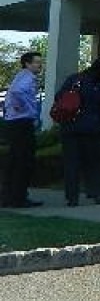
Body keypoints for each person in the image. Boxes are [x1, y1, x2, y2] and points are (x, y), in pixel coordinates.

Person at [57, 58, 100, 206]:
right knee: (93, 163)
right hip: (91, 128)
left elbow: (59, 97)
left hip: (69, 126)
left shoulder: (75, 79)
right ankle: (97, 193)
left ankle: (72, 198)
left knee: (71, 164)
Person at [1, 51, 44, 208]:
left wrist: (14, 106)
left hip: (13, 122)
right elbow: (17, 92)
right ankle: (19, 197)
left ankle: (7, 196)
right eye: (36, 62)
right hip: (22, 123)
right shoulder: (28, 77)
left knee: (13, 160)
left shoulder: (20, 76)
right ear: (27, 64)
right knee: (24, 161)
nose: (40, 65)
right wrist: (26, 108)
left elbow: (12, 93)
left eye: (40, 62)